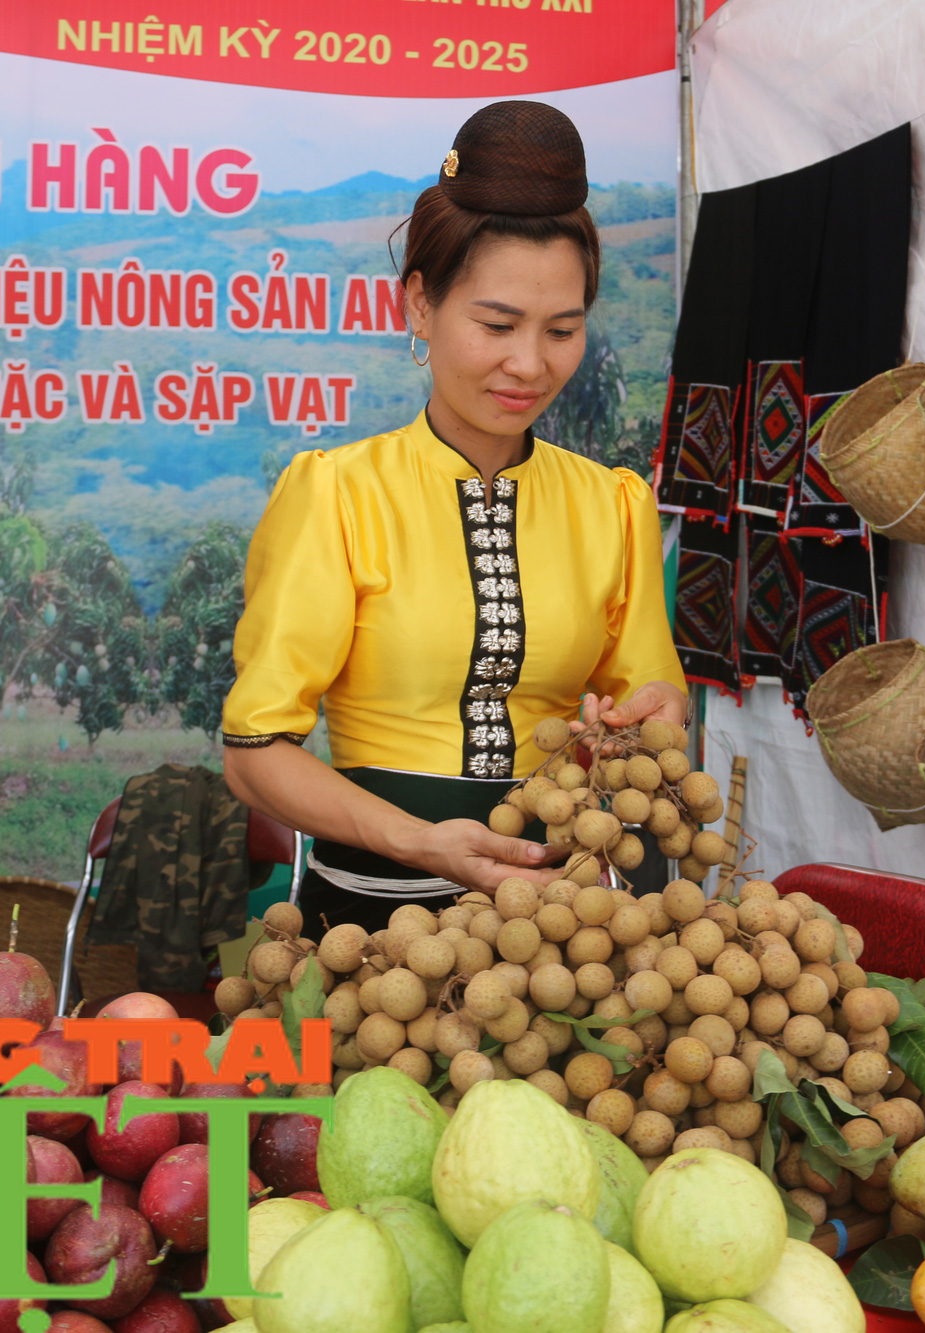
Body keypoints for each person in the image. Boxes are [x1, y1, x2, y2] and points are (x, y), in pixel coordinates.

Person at [220, 100, 687, 927]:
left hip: (561, 928)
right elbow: (255, 755)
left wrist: (653, 720)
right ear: (420, 307)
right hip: (372, 930)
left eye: (563, 329)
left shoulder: (613, 505)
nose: (529, 363)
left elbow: (652, 707)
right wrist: (419, 841)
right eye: (497, 324)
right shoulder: (338, 493)